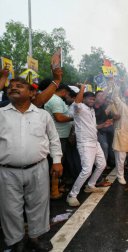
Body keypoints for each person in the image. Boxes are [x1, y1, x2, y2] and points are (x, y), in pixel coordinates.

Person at [0, 77, 63, 251]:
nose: (13, 88)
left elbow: (54, 139)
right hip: (7, 171)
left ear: (32, 93)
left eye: (19, 86)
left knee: (39, 204)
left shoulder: (42, 115)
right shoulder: (1, 114)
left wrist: (56, 161)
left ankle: (36, 236)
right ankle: (16, 240)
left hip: (38, 167)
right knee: (10, 208)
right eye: (11, 87)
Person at [66, 86, 107, 207]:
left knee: (102, 164)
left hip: (95, 142)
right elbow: (76, 103)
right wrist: (82, 90)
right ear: (83, 99)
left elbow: (93, 127)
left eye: (93, 98)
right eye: (89, 98)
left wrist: (104, 124)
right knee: (87, 170)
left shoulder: (91, 110)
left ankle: (90, 185)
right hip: (84, 143)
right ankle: (72, 195)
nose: (92, 100)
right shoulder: (79, 107)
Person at [44, 84, 74, 199]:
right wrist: (73, 117)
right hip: (59, 136)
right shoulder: (55, 100)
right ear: (64, 91)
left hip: (61, 135)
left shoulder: (53, 99)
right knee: (57, 163)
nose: (67, 96)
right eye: (67, 93)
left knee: (58, 162)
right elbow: (59, 118)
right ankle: (54, 190)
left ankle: (56, 186)